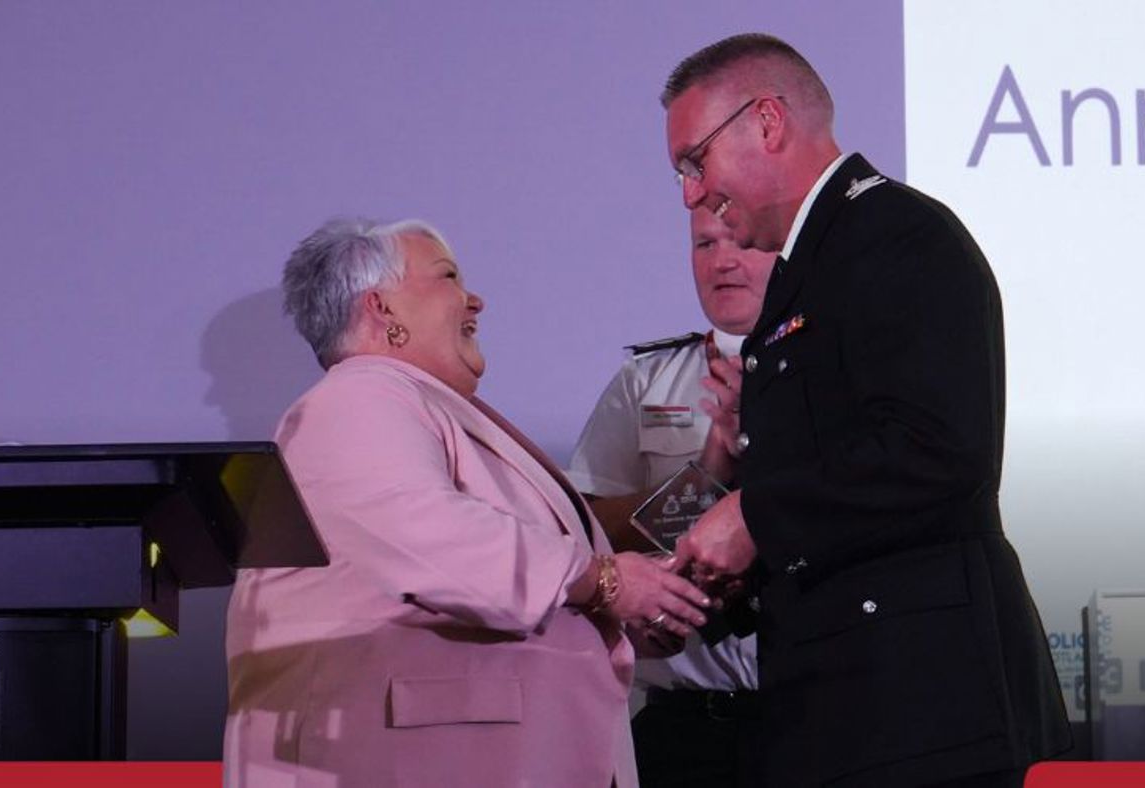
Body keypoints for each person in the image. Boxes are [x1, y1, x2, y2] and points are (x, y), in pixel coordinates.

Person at [662, 34, 1073, 786]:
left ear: (767, 122)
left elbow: (939, 452)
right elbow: (836, 493)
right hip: (848, 712)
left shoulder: (898, 236)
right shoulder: (814, 267)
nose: (691, 192)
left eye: (695, 161)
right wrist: (728, 584)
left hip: (929, 713)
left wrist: (757, 518)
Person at [222, 217, 711, 788]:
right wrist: (607, 582)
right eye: (448, 276)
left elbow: (486, 579)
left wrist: (621, 609)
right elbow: (434, 538)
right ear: (382, 309)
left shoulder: (419, 406)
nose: (474, 299)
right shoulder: (358, 398)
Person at [567, 208, 774, 787]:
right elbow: (584, 531)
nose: (722, 260)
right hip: (684, 727)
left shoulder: (842, 374)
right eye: (704, 243)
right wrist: (704, 476)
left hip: (815, 715)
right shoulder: (646, 380)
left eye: (743, 240)